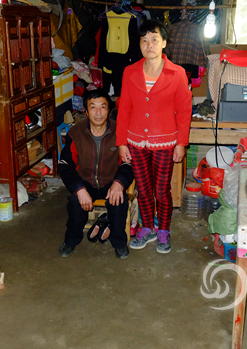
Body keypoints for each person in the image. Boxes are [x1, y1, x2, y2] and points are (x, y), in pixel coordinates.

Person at [116, 20, 192, 254]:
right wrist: (121, 142)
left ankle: (164, 230)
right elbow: (124, 108)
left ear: (164, 43)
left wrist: (181, 143)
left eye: (154, 39)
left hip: (165, 142)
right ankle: (148, 227)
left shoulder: (177, 73)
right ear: (139, 44)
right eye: (144, 40)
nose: (149, 45)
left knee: (161, 190)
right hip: (136, 141)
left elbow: (184, 111)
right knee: (143, 188)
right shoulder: (130, 72)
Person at [58, 90, 134, 259]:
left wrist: (119, 182)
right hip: (85, 183)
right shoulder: (76, 133)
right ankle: (71, 240)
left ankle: (119, 242)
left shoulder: (120, 132)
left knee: (119, 200)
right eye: (93, 107)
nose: (98, 112)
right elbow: (65, 165)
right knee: (75, 202)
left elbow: (128, 162)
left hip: (110, 182)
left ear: (109, 110)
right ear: (86, 111)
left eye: (102, 107)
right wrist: (79, 188)